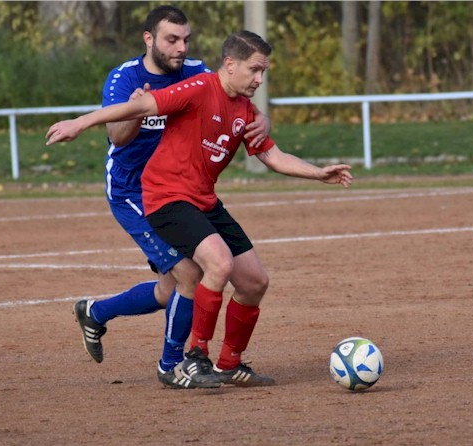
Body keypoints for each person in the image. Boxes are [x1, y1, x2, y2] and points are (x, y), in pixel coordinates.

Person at [47, 30, 352, 387]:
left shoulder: (244, 109)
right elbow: (140, 107)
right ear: (230, 64)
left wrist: (319, 173)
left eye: (263, 72)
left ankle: (229, 364)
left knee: (254, 282)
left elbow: (272, 155)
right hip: (167, 198)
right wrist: (80, 123)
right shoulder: (198, 88)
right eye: (254, 70)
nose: (259, 79)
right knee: (216, 264)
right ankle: (195, 358)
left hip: (204, 200)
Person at [71, 6, 270, 389]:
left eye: (186, 39)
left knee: (169, 289)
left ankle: (95, 312)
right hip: (133, 190)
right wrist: (135, 110)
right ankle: (173, 366)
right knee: (189, 274)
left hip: (179, 189)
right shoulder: (124, 78)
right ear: (149, 39)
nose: (181, 48)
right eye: (172, 39)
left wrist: (264, 119)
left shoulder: (195, 71)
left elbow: (236, 100)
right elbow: (117, 138)